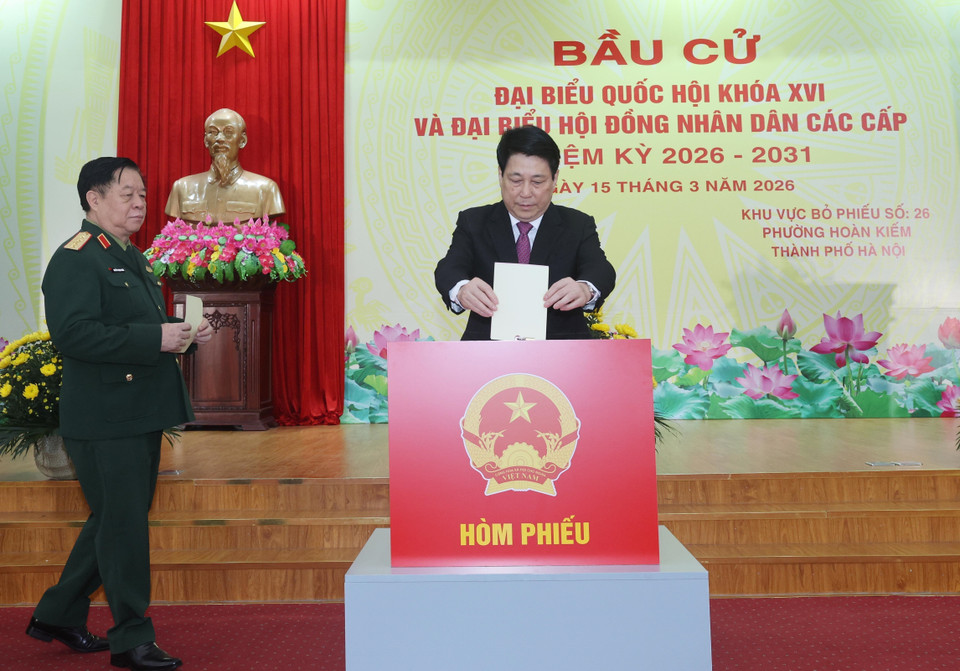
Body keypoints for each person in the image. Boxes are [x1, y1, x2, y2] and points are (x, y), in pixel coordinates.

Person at [27, 157, 212, 671]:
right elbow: (74, 334)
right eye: (127, 194)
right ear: (93, 199)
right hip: (106, 417)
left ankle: (59, 613)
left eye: (143, 195)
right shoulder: (77, 257)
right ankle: (132, 637)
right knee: (125, 527)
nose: (139, 204)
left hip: (136, 411)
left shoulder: (131, 256)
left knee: (114, 520)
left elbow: (137, 328)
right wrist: (156, 337)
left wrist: (180, 334)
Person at [434, 125, 616, 340]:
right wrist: (462, 290)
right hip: (486, 350)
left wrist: (586, 289)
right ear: (500, 175)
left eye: (537, 182)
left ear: (555, 179)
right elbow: (449, 268)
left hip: (563, 349)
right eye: (516, 180)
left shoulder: (577, 224)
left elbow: (601, 269)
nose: (526, 193)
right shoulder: (474, 222)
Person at [165, 107, 285, 224]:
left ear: (242, 140)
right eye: (213, 132)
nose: (220, 139)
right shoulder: (182, 188)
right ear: (206, 140)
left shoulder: (265, 189)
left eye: (228, 132)